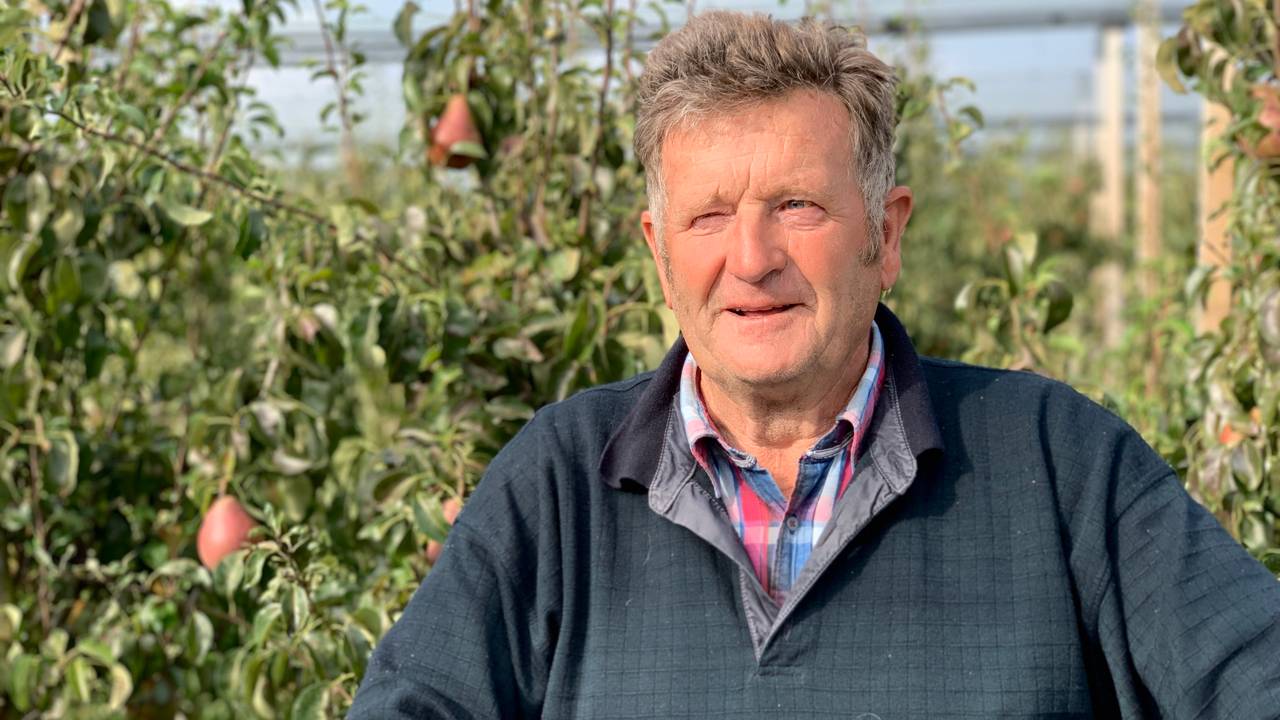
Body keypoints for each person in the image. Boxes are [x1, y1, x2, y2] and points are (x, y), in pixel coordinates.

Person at [348, 11, 1280, 719]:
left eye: (797, 205)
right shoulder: (558, 485)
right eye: (709, 216)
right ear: (658, 252)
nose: (751, 258)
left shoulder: (1056, 462)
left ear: (886, 233)